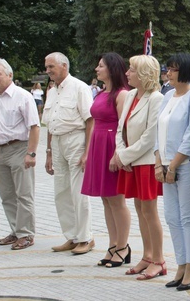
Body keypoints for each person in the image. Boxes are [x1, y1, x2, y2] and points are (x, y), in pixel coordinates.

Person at [0, 59, 41, 251]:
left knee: (24, 194)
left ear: (10, 75)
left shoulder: (22, 96)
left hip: (19, 148)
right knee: (7, 195)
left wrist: (31, 153)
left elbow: (34, 126)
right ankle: (16, 230)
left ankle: (26, 234)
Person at [154, 53, 190, 290]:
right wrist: (158, 162)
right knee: (172, 218)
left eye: (173, 70)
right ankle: (181, 263)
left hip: (183, 165)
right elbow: (159, 130)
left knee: (187, 216)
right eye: (168, 69)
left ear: (184, 71)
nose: (168, 74)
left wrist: (173, 165)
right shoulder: (167, 96)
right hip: (164, 165)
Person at [113, 55, 165, 279]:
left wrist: (123, 156)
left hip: (145, 162)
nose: (127, 73)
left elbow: (150, 136)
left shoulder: (156, 98)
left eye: (132, 70)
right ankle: (147, 255)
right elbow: (120, 128)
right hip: (131, 161)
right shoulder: (131, 94)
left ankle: (159, 259)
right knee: (139, 208)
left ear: (143, 74)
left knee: (149, 211)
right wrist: (121, 153)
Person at [81, 53, 131, 267]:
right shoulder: (101, 93)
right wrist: (88, 151)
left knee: (116, 199)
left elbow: (124, 126)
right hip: (98, 145)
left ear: (111, 69)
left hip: (111, 146)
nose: (96, 69)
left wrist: (118, 154)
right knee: (105, 198)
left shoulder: (121, 94)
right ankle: (113, 244)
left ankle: (123, 246)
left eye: (100, 66)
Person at [43, 52, 94, 254]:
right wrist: (48, 152)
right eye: (47, 67)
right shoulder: (51, 91)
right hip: (57, 141)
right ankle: (72, 236)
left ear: (64, 66)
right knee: (61, 192)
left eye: (51, 67)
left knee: (78, 191)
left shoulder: (79, 87)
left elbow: (91, 120)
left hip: (76, 140)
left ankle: (86, 238)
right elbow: (49, 123)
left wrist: (87, 152)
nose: (48, 71)